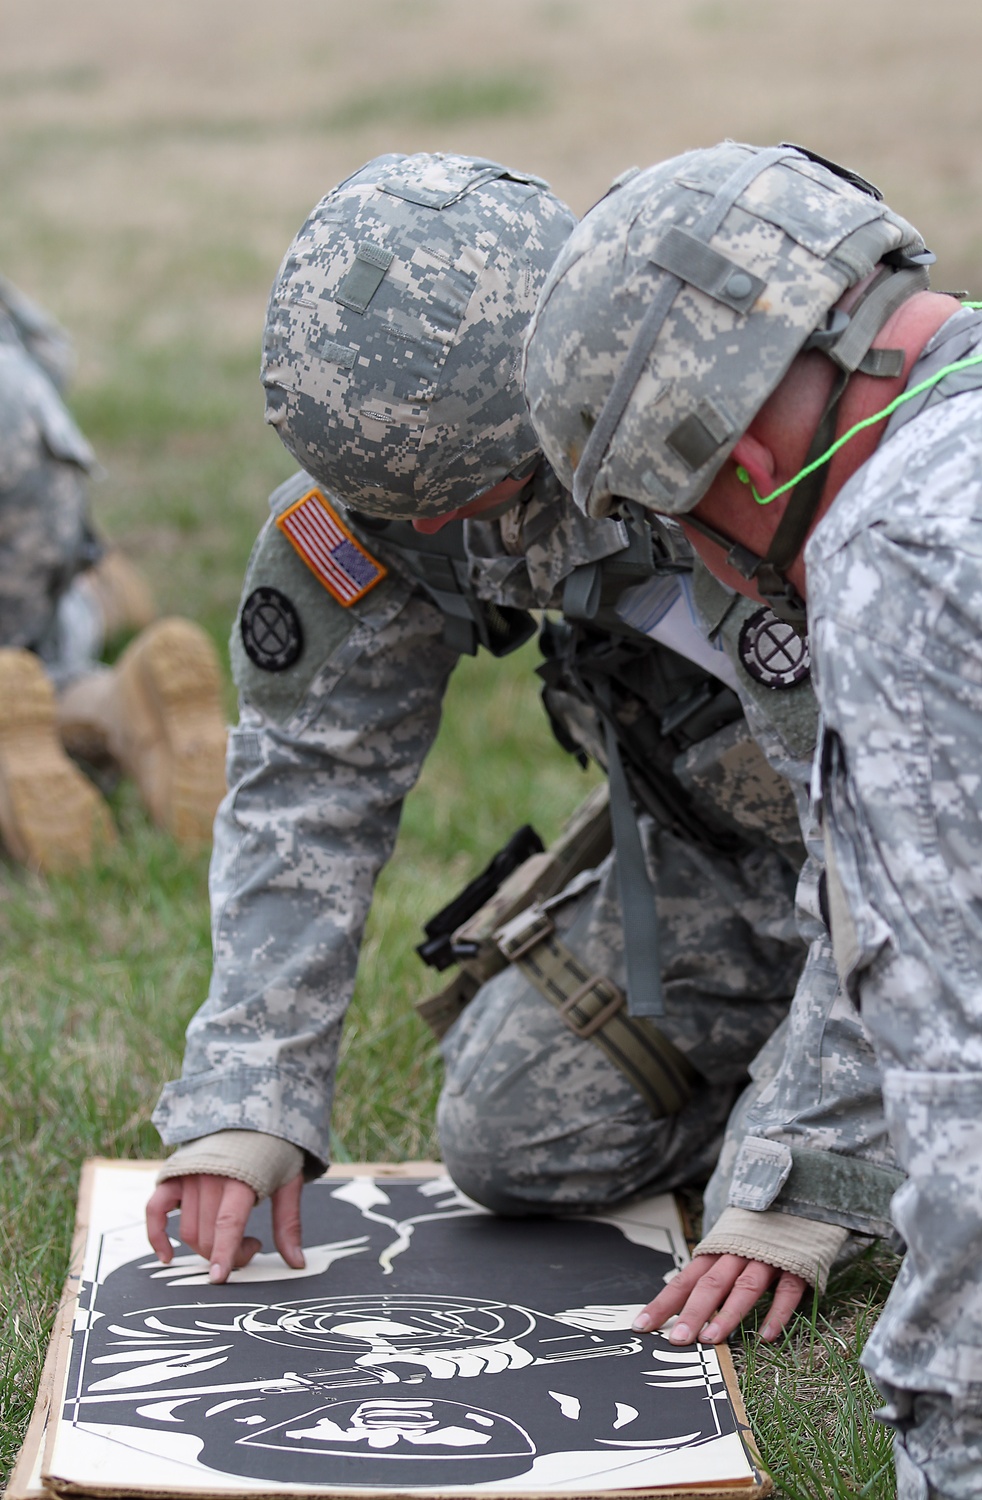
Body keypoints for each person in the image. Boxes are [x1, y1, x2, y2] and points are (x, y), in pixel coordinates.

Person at [146, 151, 813, 1296]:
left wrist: (793, 1187)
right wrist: (244, 1097)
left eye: (471, 498)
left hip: (941, 872)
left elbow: (923, 834)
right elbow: (311, 778)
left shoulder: (750, 437)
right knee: (518, 1134)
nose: (435, 531)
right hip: (730, 856)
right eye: (402, 509)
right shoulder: (393, 480)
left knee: (839, 1157)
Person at [522, 139, 982, 1500]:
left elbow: (979, 1087)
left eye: (679, 530)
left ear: (740, 464)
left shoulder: (898, 551)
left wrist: (956, 1454)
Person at [0, 274, 228, 870]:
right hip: (29, 434)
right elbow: (51, 353)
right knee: (42, 646)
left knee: (29, 656)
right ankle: (109, 703)